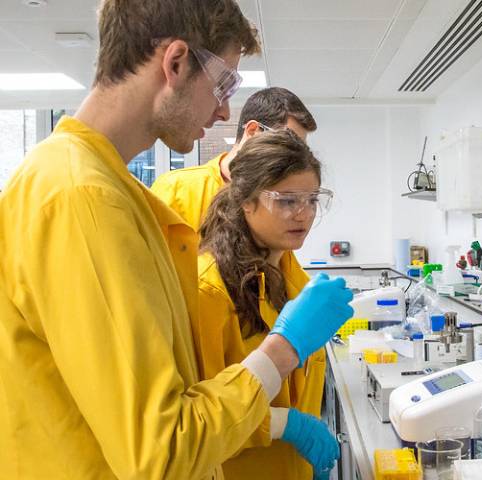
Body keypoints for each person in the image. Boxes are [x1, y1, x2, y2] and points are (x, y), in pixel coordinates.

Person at [0, 1, 352, 479]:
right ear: (176, 62)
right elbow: (161, 453)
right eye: (224, 84)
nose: (225, 108)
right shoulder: (82, 196)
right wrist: (282, 350)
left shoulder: (113, 191)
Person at [196, 131, 335, 479]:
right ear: (246, 200)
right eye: (287, 201)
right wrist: (285, 425)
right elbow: (200, 420)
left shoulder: (290, 277)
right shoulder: (210, 290)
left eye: (312, 199)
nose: (304, 214)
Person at [151, 87, 317, 234]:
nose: (294, 156)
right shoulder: (177, 189)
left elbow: (268, 267)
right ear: (253, 130)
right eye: (287, 142)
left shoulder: (273, 199)